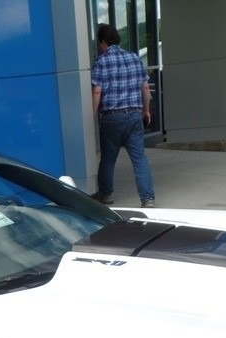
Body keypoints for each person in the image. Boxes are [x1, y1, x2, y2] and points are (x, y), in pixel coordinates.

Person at [90, 23, 155, 208]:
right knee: (140, 159)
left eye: (99, 44)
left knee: (108, 160)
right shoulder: (134, 58)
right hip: (134, 116)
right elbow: (145, 88)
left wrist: (91, 116)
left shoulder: (101, 62)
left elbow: (96, 92)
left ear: (103, 42)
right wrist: (146, 110)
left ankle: (106, 195)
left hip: (112, 118)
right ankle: (147, 199)